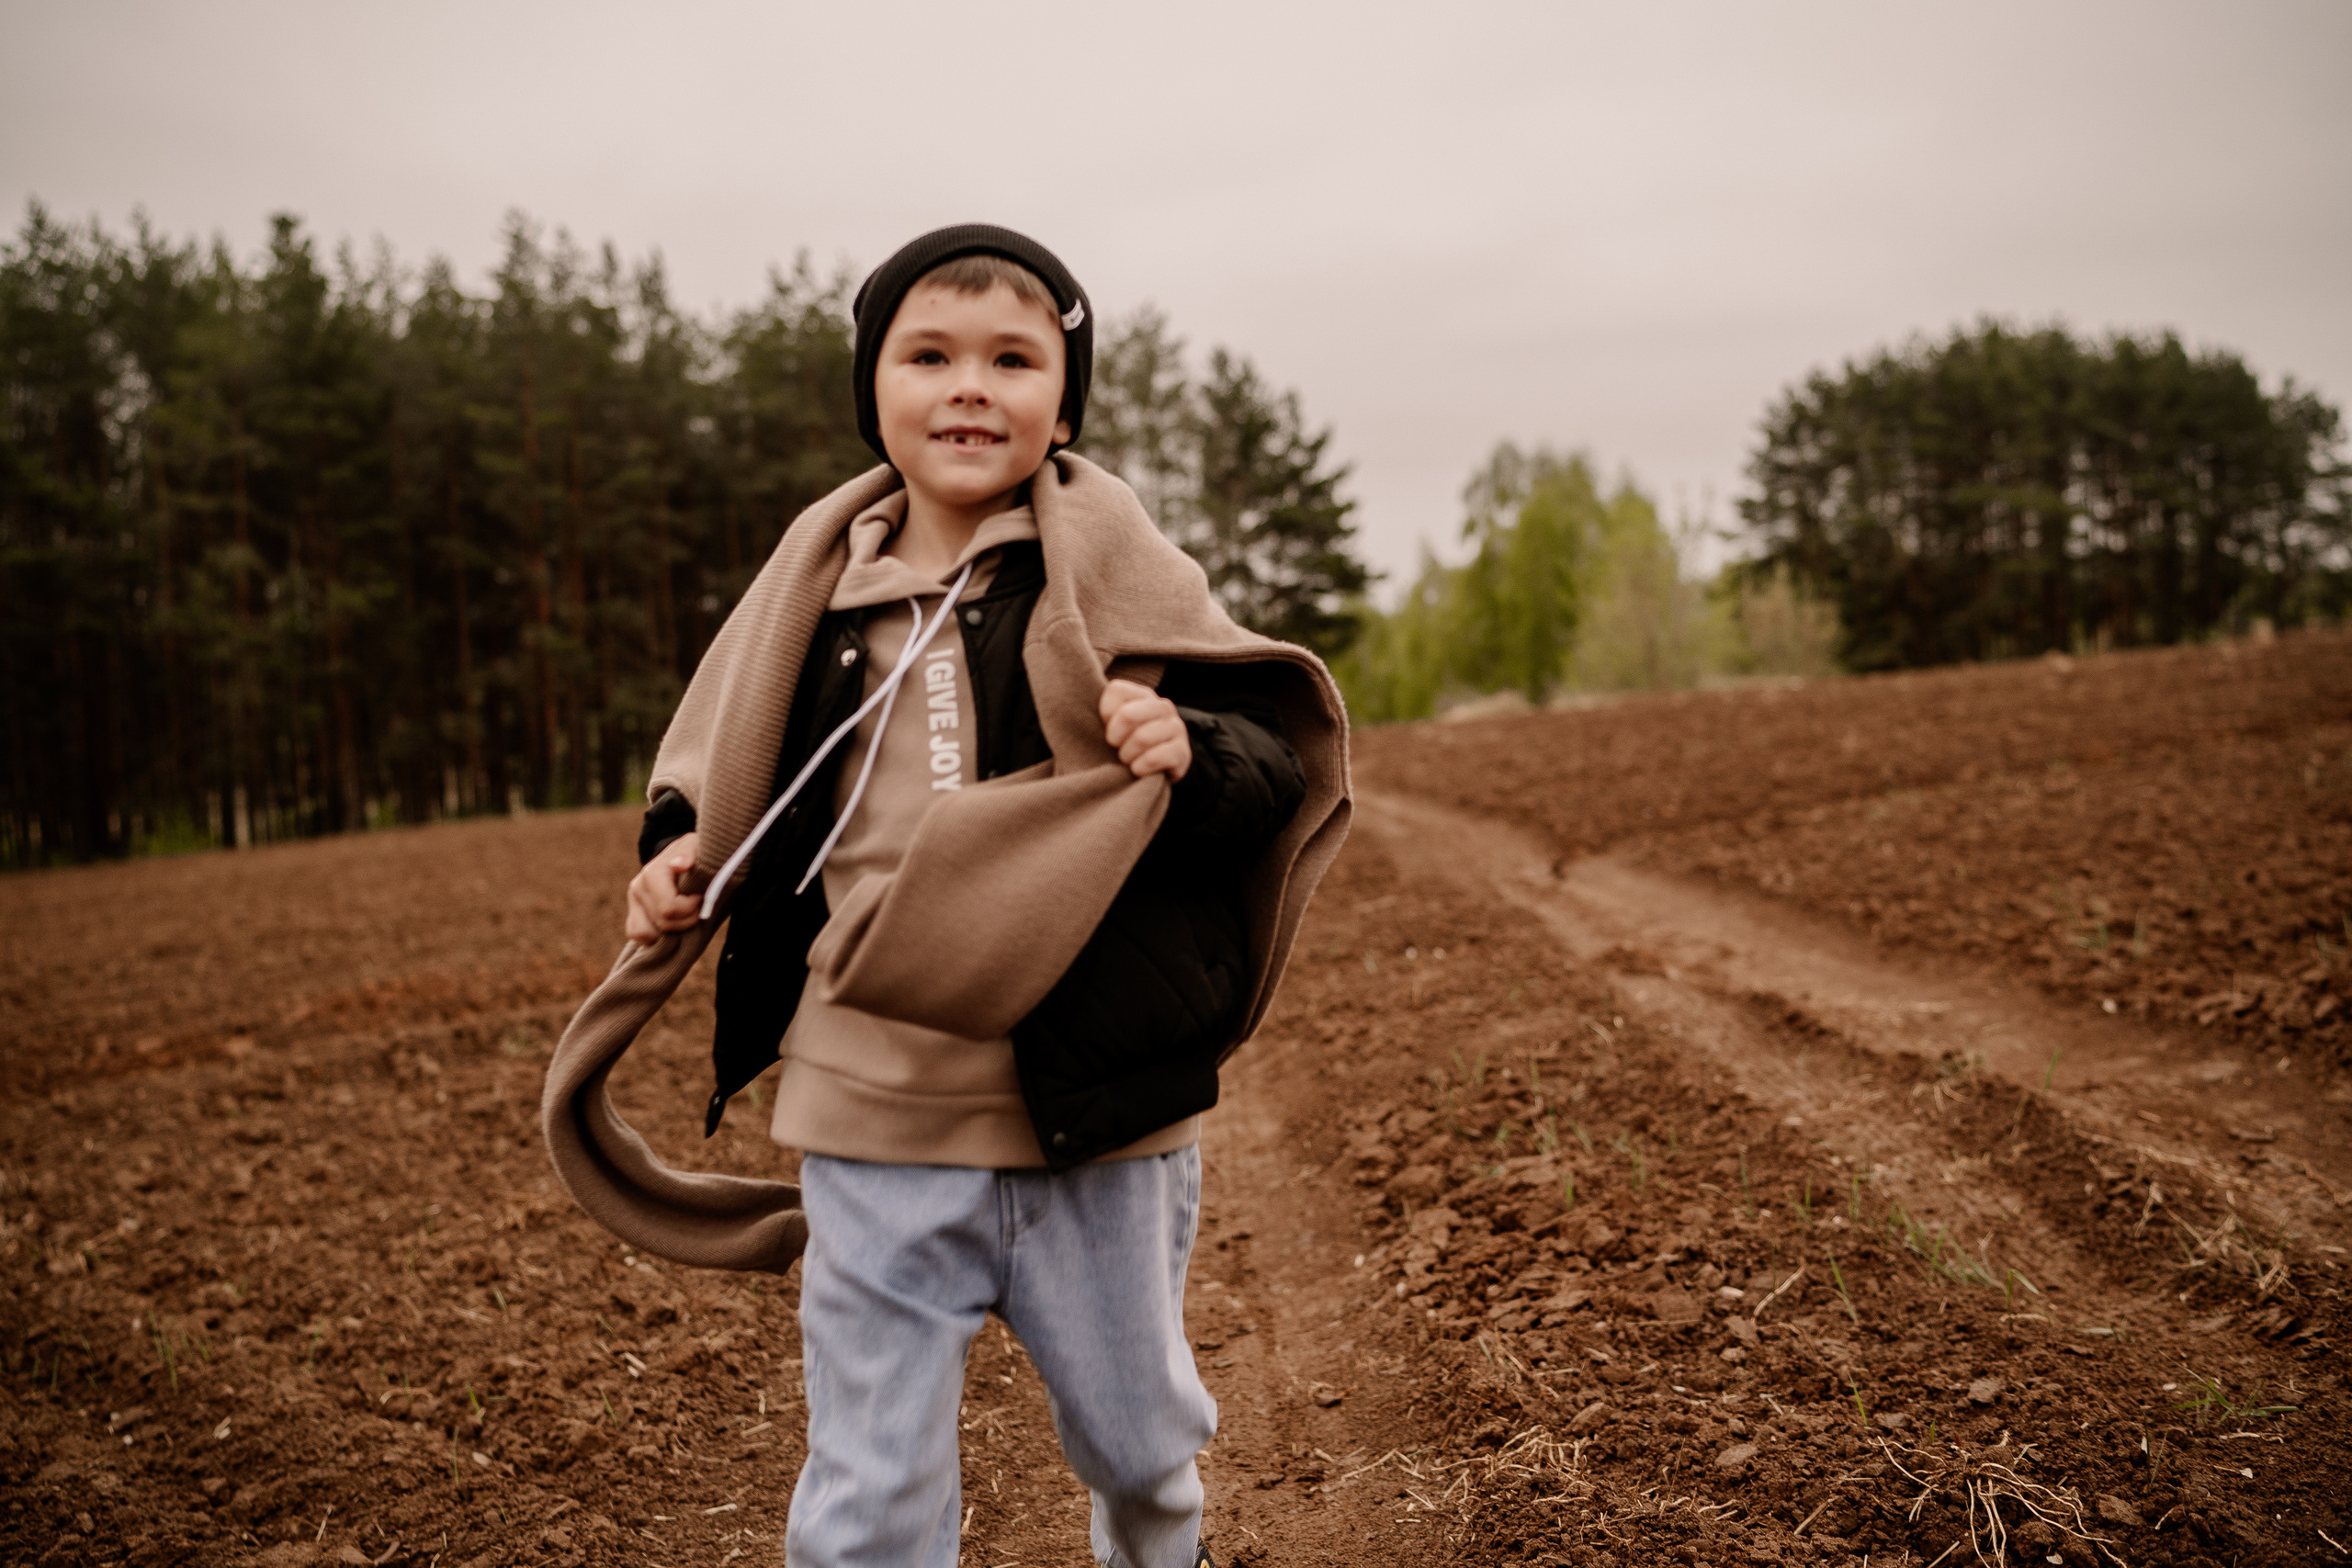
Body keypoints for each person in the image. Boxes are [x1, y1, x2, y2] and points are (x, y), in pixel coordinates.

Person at [541, 224, 1351, 1568]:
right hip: (871, 1108)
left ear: (1064, 402)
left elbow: (1271, 762)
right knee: (865, 1498)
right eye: (930, 354)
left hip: (1094, 1117)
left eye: (1012, 358)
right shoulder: (817, 595)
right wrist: (682, 853)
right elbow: (723, 766)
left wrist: (1186, 749)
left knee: (1140, 1449)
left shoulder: (1123, 581)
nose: (969, 384)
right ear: (876, 392)